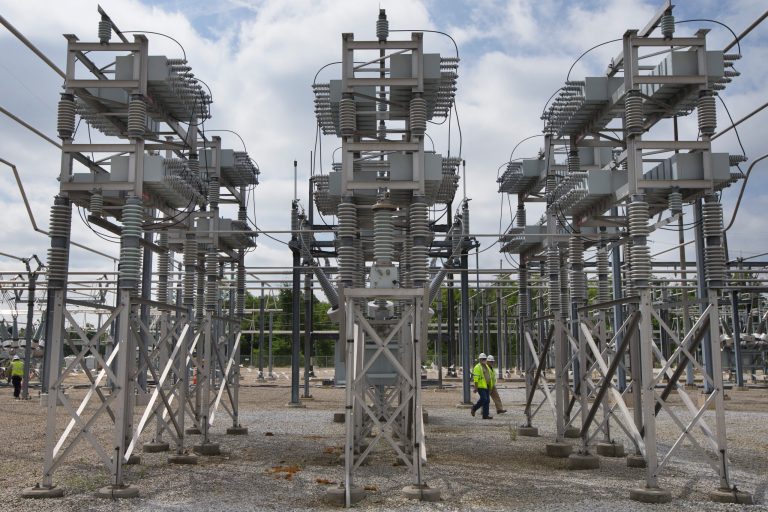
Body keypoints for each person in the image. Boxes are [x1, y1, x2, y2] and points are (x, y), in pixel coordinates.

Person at [470, 353, 493, 419]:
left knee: (487, 400)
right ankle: (474, 408)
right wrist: (476, 387)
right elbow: (476, 378)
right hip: (480, 386)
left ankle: (485, 415)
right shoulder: (477, 367)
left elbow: (490, 375)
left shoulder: (486, 366)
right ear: (479, 360)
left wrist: (491, 385)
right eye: (482, 359)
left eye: (485, 359)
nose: (484, 360)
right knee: (484, 399)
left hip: (487, 386)